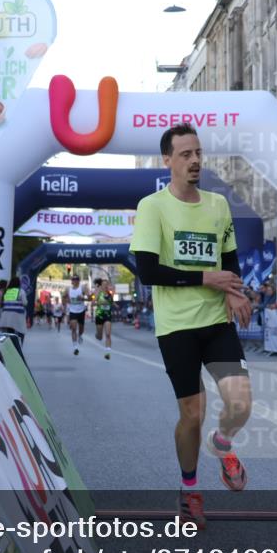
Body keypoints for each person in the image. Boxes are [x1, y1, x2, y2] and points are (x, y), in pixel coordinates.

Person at [129, 123, 252, 529]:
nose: (195, 160)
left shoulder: (217, 204)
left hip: (216, 321)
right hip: (177, 326)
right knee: (193, 414)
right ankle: (190, 488)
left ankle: (223, 444)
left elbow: (229, 259)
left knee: (240, 404)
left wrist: (233, 290)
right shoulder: (153, 207)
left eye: (198, 153)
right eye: (186, 154)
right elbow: (147, 271)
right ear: (168, 161)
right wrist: (205, 278)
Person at [0, 277, 27, 343]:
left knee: (9, 333)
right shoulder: (21, 291)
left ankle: (11, 346)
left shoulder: (7, 291)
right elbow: (24, 302)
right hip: (17, 315)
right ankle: (19, 346)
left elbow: (3, 302)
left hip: (6, 316)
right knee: (21, 331)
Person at [64, 275, 88, 355]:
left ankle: (80, 335)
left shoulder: (83, 288)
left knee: (81, 329)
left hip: (81, 311)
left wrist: (83, 298)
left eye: (76, 279)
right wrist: (67, 301)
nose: (74, 280)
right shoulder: (68, 289)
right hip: (72, 311)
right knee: (74, 328)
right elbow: (63, 297)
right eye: (73, 279)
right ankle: (75, 347)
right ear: (71, 281)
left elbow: (91, 297)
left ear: (79, 280)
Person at [94, 278, 115, 359]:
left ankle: (108, 352)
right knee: (100, 337)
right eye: (104, 284)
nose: (105, 286)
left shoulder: (110, 294)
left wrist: (115, 305)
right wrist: (101, 302)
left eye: (107, 284)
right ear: (101, 286)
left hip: (107, 315)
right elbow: (93, 302)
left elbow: (111, 302)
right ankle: (97, 334)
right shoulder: (98, 292)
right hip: (99, 315)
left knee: (108, 334)